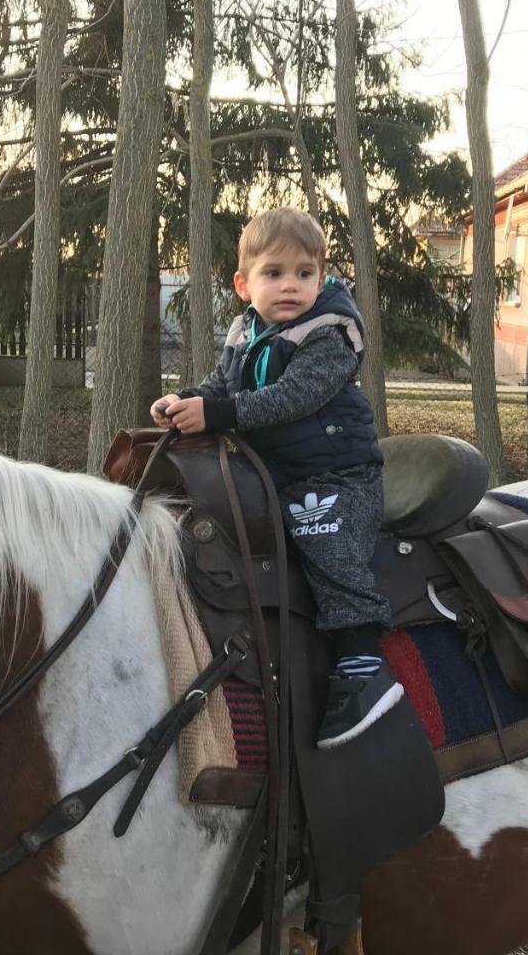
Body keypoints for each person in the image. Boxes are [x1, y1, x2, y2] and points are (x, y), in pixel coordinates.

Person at [150, 207, 396, 748]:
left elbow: (294, 397)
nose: (291, 286)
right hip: (277, 473)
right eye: (274, 273)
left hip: (336, 474)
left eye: (304, 273)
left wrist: (219, 415)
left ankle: (361, 661)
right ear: (244, 284)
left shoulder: (329, 334)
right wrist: (188, 400)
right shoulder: (247, 332)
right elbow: (220, 385)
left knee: (324, 541)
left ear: (323, 277)